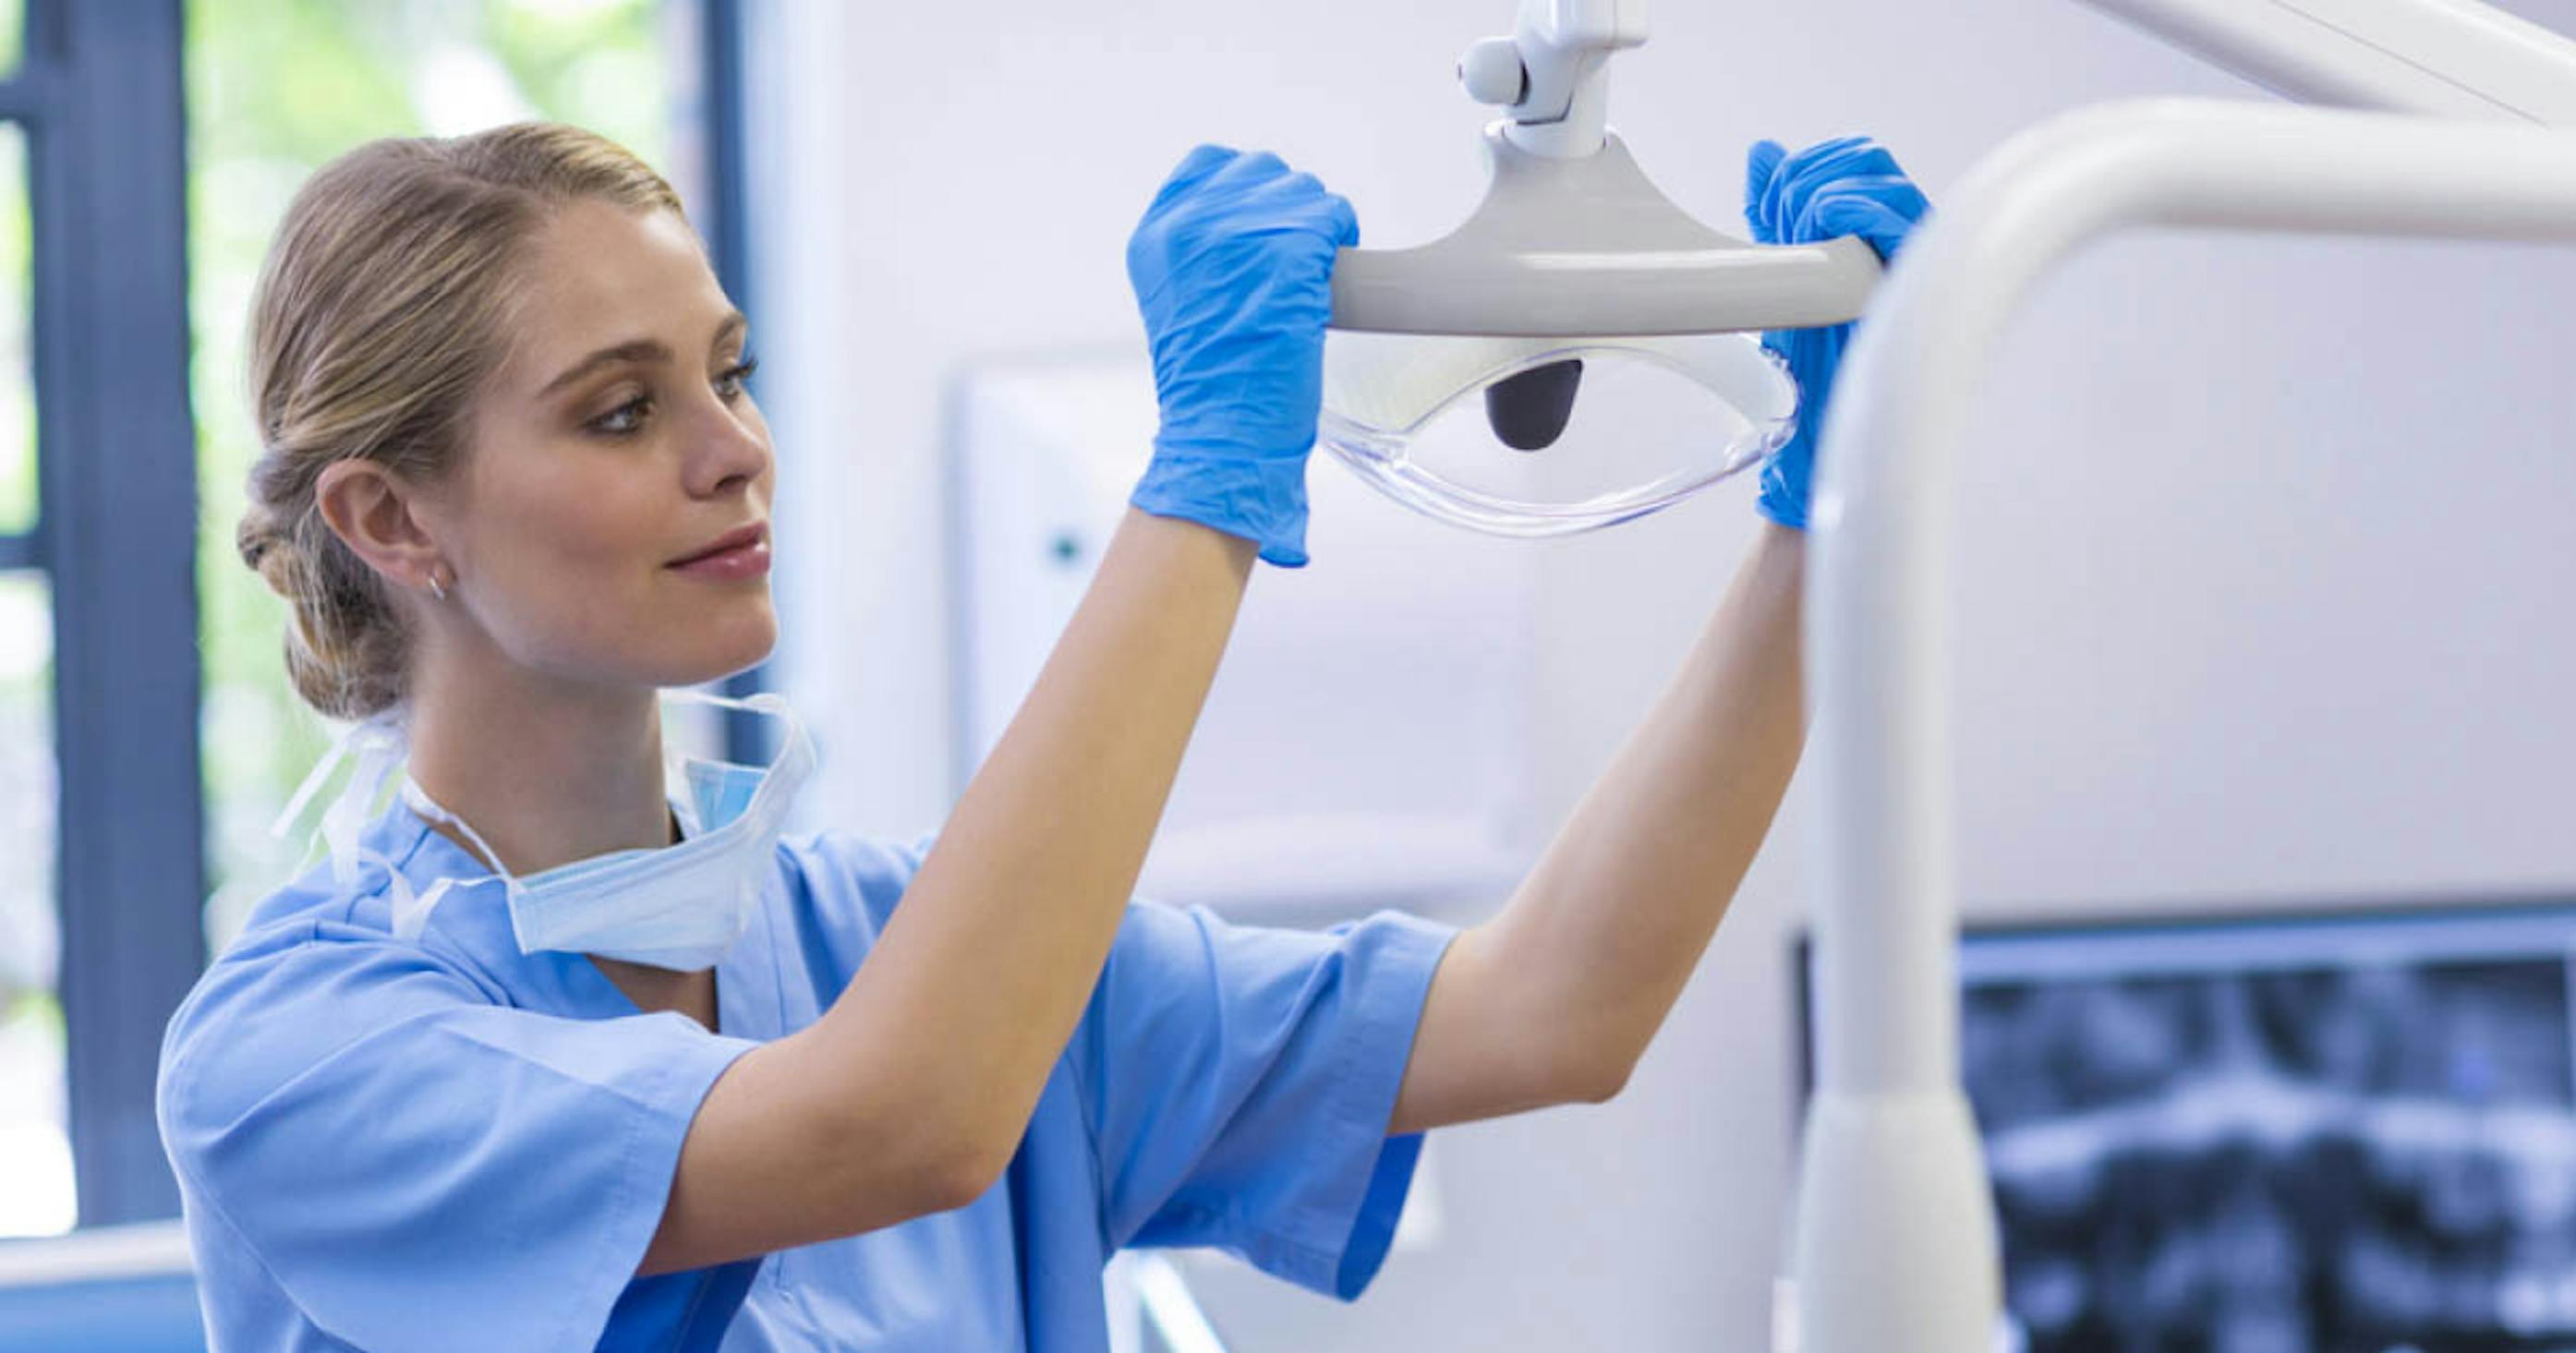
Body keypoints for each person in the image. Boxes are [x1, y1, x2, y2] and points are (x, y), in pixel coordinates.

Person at [154, 122, 1927, 1351]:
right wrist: (1210, 487)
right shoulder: (299, 1058)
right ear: (393, 522)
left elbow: (1560, 1006)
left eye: (731, 369)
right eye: (624, 409)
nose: (733, 448)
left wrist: (1825, 510)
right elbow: (897, 1125)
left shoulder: (888, 943)